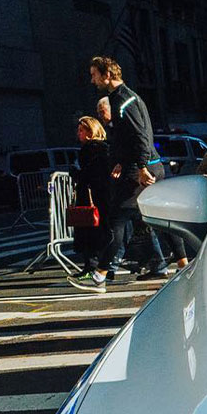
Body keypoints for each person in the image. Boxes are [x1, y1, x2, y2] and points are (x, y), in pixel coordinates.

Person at [70, 56, 169, 292]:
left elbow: (140, 136)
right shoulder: (120, 99)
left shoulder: (124, 100)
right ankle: (176, 263)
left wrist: (141, 167)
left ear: (107, 75)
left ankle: (100, 275)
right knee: (148, 219)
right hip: (136, 167)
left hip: (139, 170)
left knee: (118, 221)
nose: (92, 80)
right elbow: (126, 139)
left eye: (94, 75)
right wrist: (121, 162)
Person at [71, 116, 112, 273]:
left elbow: (89, 173)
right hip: (104, 194)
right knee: (103, 229)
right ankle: (104, 263)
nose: (78, 133)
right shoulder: (105, 147)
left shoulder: (89, 149)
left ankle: (92, 266)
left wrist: (76, 173)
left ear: (90, 131)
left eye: (81, 130)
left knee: (89, 230)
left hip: (90, 195)